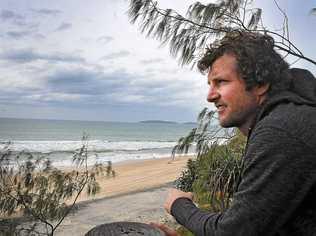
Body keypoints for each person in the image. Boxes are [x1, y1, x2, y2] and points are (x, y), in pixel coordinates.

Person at [152, 31, 316, 235]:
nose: (210, 96)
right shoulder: (291, 117)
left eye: (220, 82)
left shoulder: (281, 129)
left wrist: (179, 205)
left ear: (259, 84)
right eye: (210, 85)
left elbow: (233, 231)